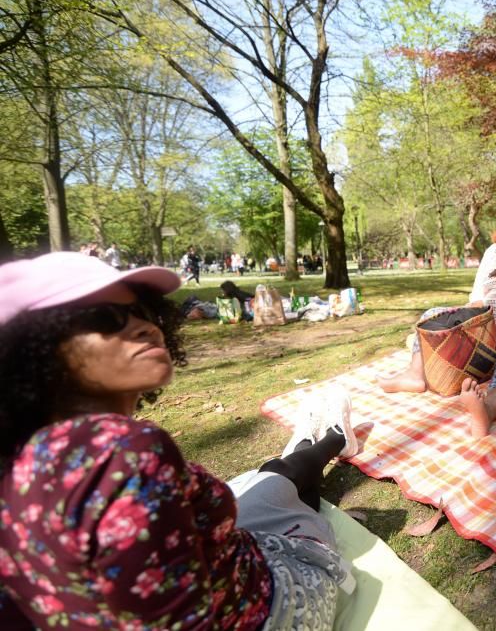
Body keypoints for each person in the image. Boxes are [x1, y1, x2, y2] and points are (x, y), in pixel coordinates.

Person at [0, 252, 357, 627]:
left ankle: (314, 446)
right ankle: (328, 441)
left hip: (226, 563)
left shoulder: (22, 461)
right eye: (105, 318)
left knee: (266, 485)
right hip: (272, 607)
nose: (145, 327)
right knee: (287, 505)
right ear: (35, 350)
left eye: (143, 312)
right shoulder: (123, 452)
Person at [379, 197, 496, 437]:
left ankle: (487, 409)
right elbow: (478, 295)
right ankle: (416, 375)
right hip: (493, 329)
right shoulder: (490, 253)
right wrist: (464, 316)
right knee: (432, 315)